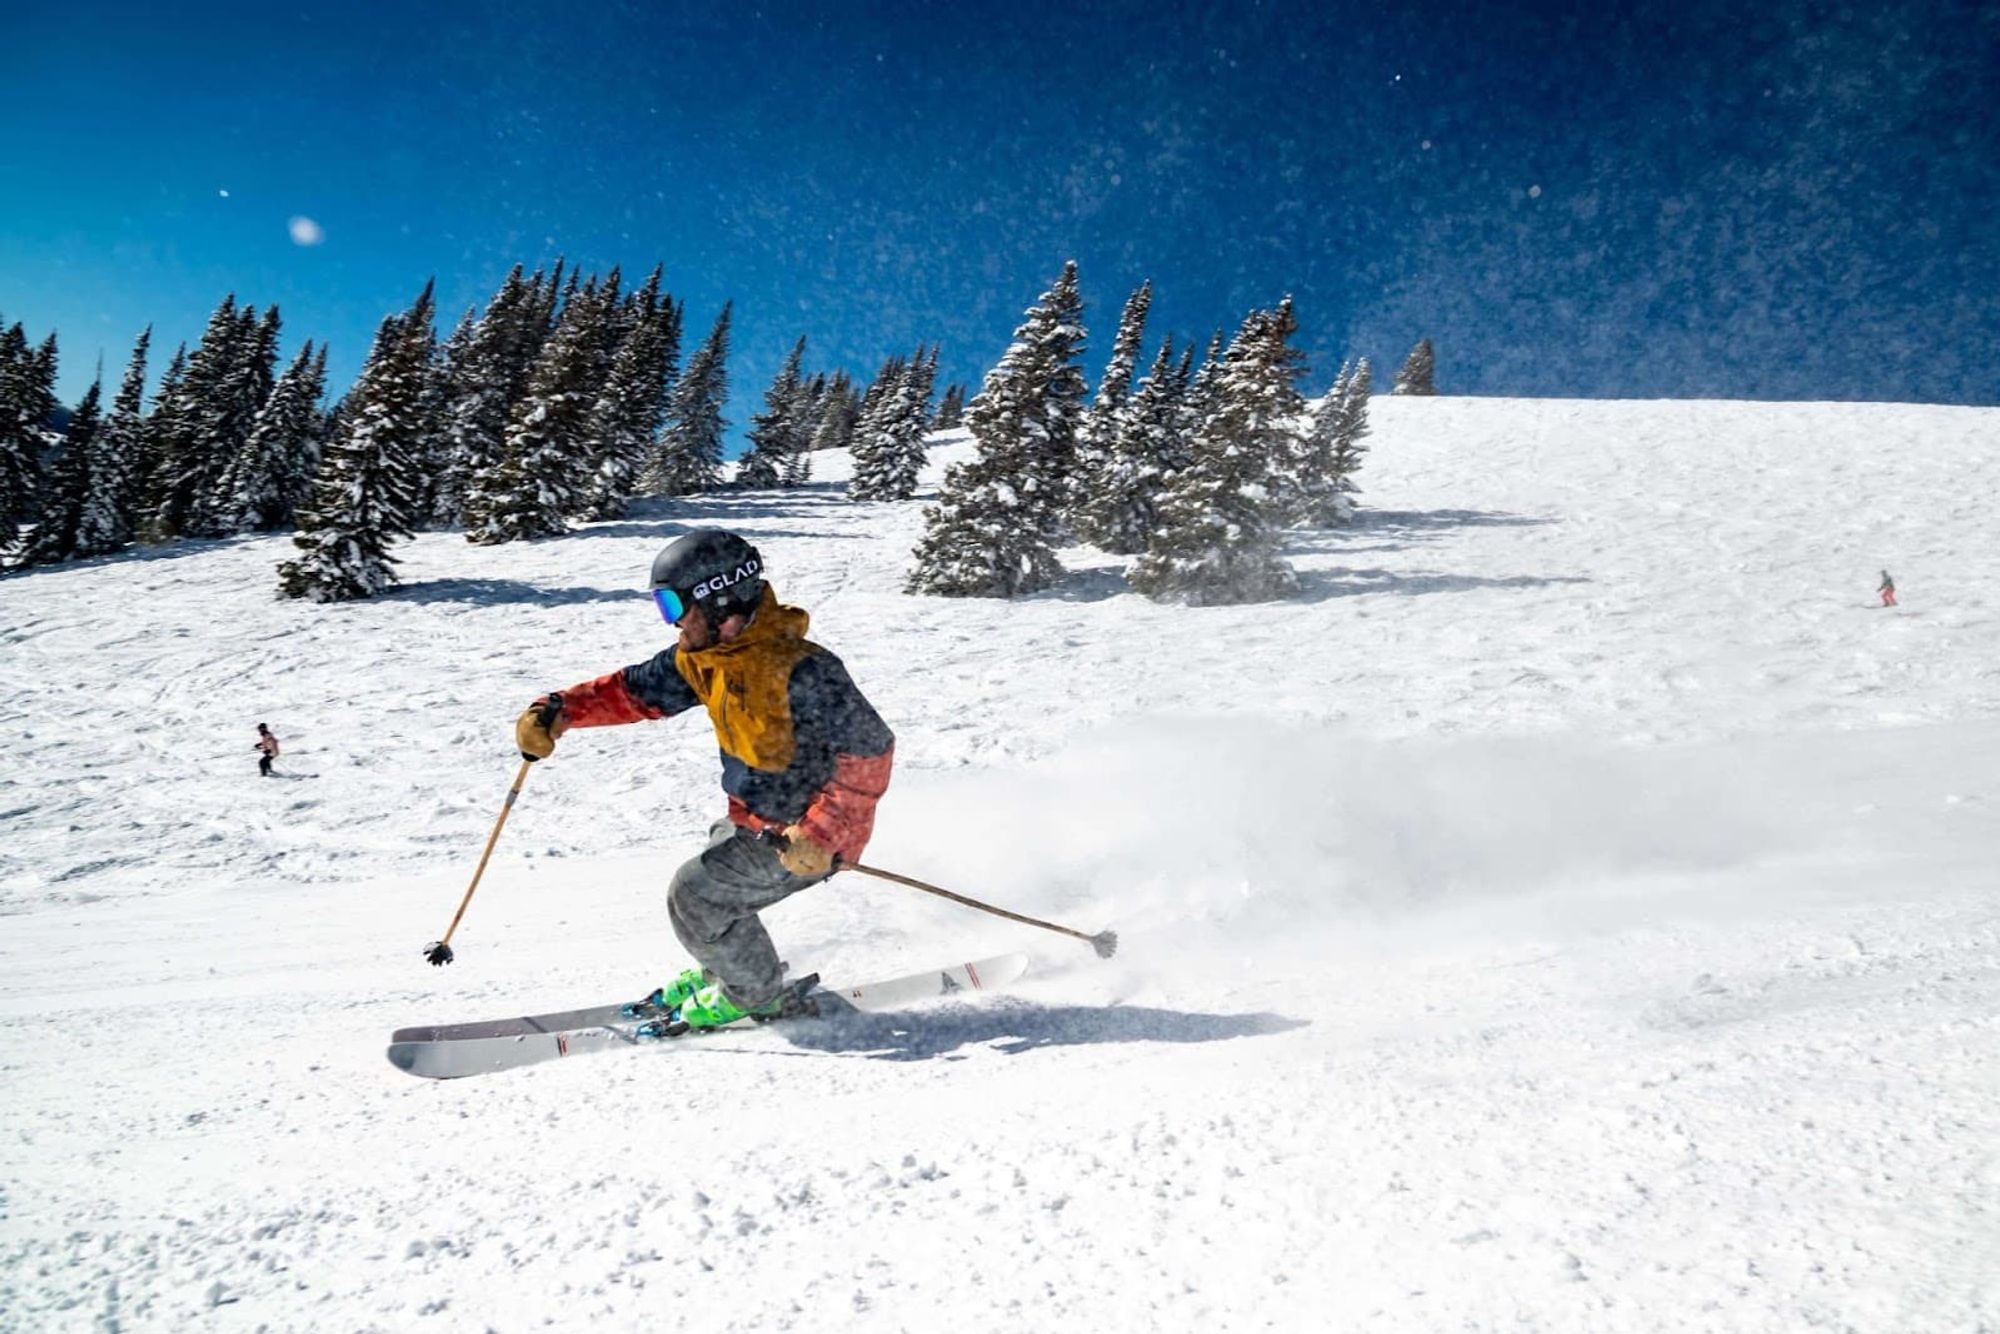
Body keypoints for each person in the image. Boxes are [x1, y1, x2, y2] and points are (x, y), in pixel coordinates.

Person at [515, 529, 894, 1031]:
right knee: (716, 892)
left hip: (806, 836)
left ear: (719, 603)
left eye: (673, 605)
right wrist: (559, 711)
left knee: (696, 897)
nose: (672, 622)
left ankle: (756, 994)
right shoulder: (705, 659)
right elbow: (634, 692)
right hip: (752, 818)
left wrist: (822, 833)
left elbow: (871, 749)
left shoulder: (802, 671)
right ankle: (733, 966)